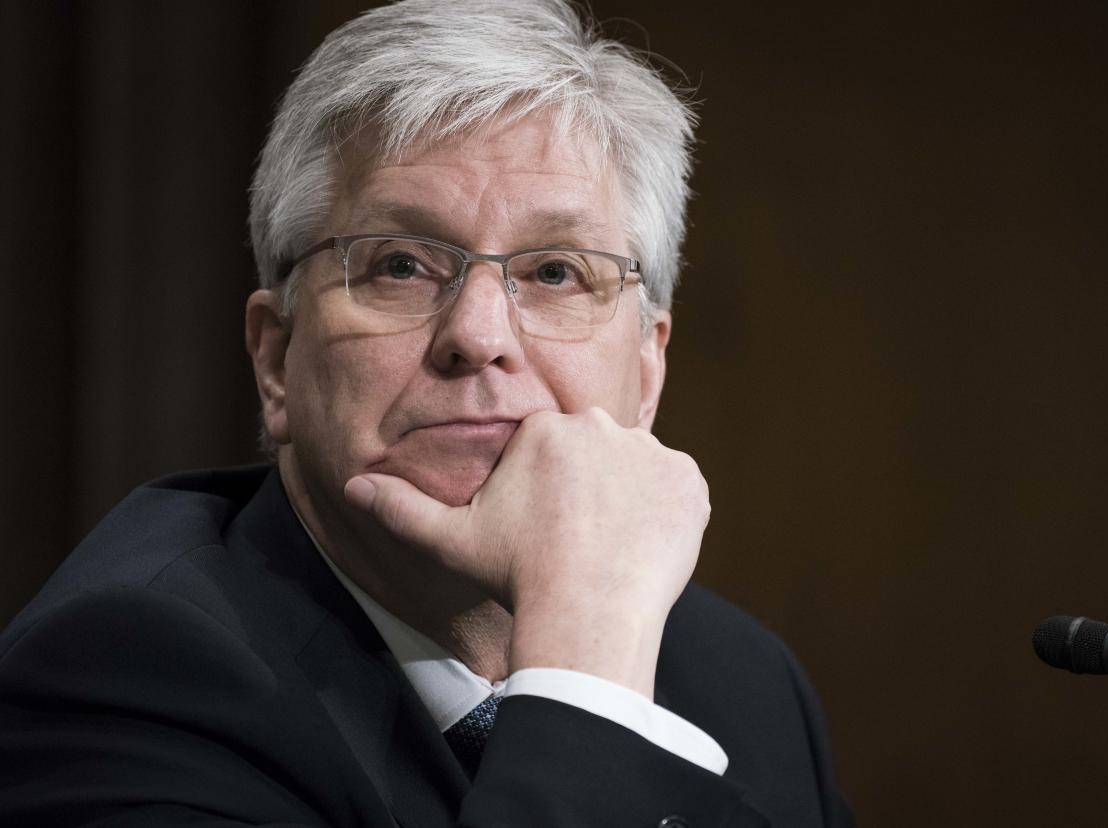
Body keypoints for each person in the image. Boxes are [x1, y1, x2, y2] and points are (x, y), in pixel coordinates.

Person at [0, 1, 853, 824]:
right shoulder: (130, 676)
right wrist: (587, 679)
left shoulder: (744, 679)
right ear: (275, 361)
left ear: (647, 366)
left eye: (556, 272)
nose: (478, 336)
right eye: (401, 265)